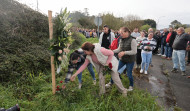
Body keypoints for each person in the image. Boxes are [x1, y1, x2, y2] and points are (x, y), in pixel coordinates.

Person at [106, 27, 137, 91]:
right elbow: (119, 49)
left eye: (122, 33)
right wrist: (111, 51)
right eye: (120, 33)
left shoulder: (133, 40)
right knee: (115, 71)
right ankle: (111, 82)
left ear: (126, 32)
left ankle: (131, 85)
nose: (121, 35)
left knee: (129, 73)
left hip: (130, 60)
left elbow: (134, 51)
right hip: (122, 59)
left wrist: (124, 52)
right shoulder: (121, 39)